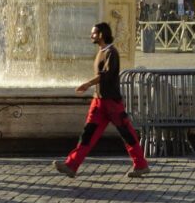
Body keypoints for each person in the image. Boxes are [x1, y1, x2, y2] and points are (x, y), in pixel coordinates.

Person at [58, 21, 148, 178]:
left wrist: (88, 84)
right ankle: (71, 165)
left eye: (94, 33)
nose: (91, 35)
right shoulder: (102, 51)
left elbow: (106, 74)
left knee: (126, 133)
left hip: (112, 102)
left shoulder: (112, 52)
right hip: (98, 101)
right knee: (88, 134)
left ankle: (141, 165)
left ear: (101, 34)